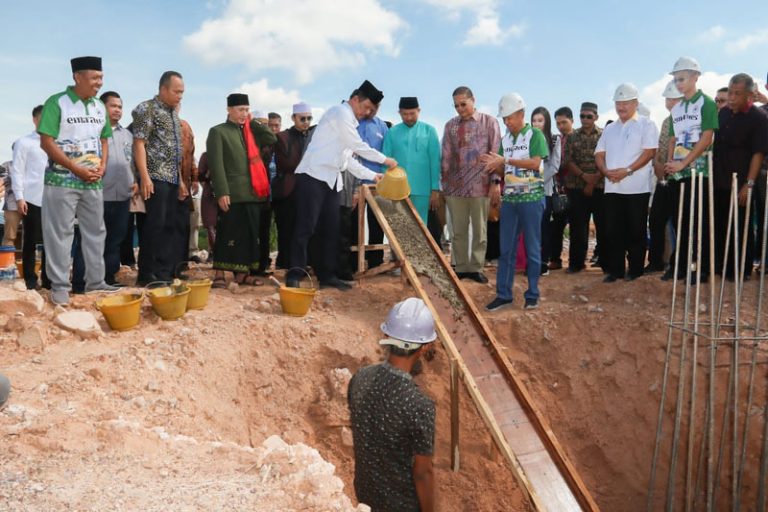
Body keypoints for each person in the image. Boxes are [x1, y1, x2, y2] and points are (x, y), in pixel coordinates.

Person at [286, 80, 396, 290]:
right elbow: (357, 146)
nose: (366, 113)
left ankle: (327, 275)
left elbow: (348, 161)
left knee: (331, 229)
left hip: (332, 180)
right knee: (306, 227)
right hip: (313, 175)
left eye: (371, 110)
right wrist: (385, 161)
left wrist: (373, 176)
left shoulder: (350, 123)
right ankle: (295, 272)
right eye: (366, 108)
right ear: (355, 99)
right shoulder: (339, 113)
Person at [38, 56, 117, 305]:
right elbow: (47, 142)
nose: (99, 83)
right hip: (61, 181)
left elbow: (104, 139)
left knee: (96, 232)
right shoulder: (56, 103)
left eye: (101, 78)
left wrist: (102, 165)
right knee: (60, 234)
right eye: (94, 78)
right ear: (77, 77)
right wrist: (75, 167)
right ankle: (60, 287)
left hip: (92, 182)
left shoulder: (98, 107)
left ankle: (96, 282)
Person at [348, 297, 436, 512]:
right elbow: (422, 473)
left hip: (365, 496)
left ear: (387, 336)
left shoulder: (360, 378)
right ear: (424, 347)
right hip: (401, 505)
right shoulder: (419, 405)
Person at [481, 93, 549, 311]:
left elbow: (535, 163)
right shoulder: (505, 140)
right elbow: (504, 169)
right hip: (510, 200)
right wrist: (494, 165)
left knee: (532, 248)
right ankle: (504, 294)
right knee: (506, 249)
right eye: (504, 119)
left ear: (521, 114)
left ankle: (533, 294)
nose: (507, 122)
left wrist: (506, 160)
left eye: (509, 117)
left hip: (532, 199)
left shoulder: (535, 135)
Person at [206, 93, 276, 287]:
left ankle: (242, 275)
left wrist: (253, 123)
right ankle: (219, 274)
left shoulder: (251, 132)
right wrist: (221, 192)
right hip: (231, 193)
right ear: (229, 110)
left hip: (253, 193)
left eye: (247, 109)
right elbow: (216, 165)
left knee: (249, 236)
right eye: (240, 110)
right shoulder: (218, 132)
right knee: (227, 234)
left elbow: (271, 138)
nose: (244, 113)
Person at [595, 83, 659, 282]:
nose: (621, 107)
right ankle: (615, 271)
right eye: (618, 103)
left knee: (636, 230)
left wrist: (627, 170)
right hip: (612, 188)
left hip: (636, 188)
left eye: (626, 103)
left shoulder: (646, 124)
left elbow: (650, 152)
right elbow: (599, 153)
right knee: (613, 230)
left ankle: (635, 270)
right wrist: (606, 171)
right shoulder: (610, 128)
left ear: (635, 103)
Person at [663, 56, 719, 284]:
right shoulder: (677, 109)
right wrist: (670, 164)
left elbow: (707, 136)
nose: (679, 83)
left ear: (695, 77)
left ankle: (702, 268)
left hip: (700, 172)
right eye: (676, 80)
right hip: (678, 172)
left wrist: (684, 163)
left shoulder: (706, 102)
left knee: (700, 221)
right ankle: (681, 265)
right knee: (681, 221)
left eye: (682, 79)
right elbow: (673, 138)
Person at [73, 91, 135, 287]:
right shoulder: (91, 132)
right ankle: (81, 283)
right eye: (113, 106)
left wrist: (136, 181)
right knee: (89, 240)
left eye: (120, 106)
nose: (117, 110)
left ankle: (107, 279)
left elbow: (132, 162)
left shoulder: (128, 135)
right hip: (96, 195)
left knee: (114, 241)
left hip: (123, 196)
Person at [132, 70, 188, 285]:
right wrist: (144, 177)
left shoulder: (173, 113)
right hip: (154, 177)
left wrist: (181, 180)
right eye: (176, 91)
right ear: (163, 89)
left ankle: (164, 273)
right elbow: (139, 144)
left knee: (169, 226)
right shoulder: (146, 109)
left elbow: (174, 150)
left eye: (182, 92)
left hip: (172, 178)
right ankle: (146, 275)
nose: (180, 96)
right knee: (154, 226)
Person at [441, 86, 501, 283]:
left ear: (473, 100)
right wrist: (443, 185)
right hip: (455, 187)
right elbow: (446, 156)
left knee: (479, 230)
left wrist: (495, 183)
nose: (460, 108)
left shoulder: (489, 122)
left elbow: (495, 155)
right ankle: (460, 267)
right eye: (456, 105)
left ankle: (475, 267)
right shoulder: (450, 126)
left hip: (481, 186)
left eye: (463, 104)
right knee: (457, 230)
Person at [713, 73, 768, 281]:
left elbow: (758, 153)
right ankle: (720, 265)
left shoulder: (759, 118)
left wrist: (749, 184)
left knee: (740, 226)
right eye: (730, 92)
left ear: (749, 95)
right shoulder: (723, 114)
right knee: (719, 224)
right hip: (719, 180)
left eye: (737, 94)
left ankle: (740, 269)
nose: (732, 98)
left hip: (742, 183)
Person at [382, 97, 441, 224]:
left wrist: (435, 189)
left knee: (420, 228)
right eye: (405, 114)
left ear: (419, 111)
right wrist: (386, 188)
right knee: (398, 229)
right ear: (399, 113)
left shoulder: (429, 131)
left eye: (412, 114)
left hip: (422, 191)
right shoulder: (392, 132)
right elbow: (385, 161)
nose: (408, 118)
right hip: (396, 191)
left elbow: (435, 161)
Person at [272, 102, 316, 269]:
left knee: (306, 228)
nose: (306, 122)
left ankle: (305, 263)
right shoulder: (283, 137)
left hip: (307, 190)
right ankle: (286, 264)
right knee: (287, 228)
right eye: (302, 118)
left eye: (309, 118)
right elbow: (288, 163)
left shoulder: (313, 136)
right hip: (287, 190)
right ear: (293, 118)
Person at [10, 105, 49, 290]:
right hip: (32, 198)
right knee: (30, 242)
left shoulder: (59, 142)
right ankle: (31, 281)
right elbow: (17, 171)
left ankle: (49, 280)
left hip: (55, 199)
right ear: (34, 119)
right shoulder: (24, 142)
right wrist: (19, 197)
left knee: (52, 241)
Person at [564, 102, 604, 273]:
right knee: (578, 228)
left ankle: (605, 262)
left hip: (600, 185)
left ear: (596, 117)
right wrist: (584, 177)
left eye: (589, 116)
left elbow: (608, 158)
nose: (585, 119)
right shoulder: (572, 136)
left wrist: (594, 180)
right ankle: (576, 263)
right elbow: (568, 161)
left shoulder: (605, 135)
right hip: (577, 187)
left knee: (604, 226)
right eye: (582, 116)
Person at [651, 81, 684, 278]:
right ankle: (655, 262)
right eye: (667, 99)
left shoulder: (689, 121)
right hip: (663, 178)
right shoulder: (666, 121)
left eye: (672, 99)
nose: (668, 102)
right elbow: (661, 147)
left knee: (679, 223)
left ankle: (676, 264)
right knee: (656, 219)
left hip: (680, 177)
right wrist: (657, 165)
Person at [356, 99, 389, 270]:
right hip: (355, 183)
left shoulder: (382, 126)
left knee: (377, 222)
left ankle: (376, 261)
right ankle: (353, 262)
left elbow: (386, 152)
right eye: (369, 107)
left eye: (375, 108)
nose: (371, 111)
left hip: (377, 183)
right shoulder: (353, 123)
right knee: (353, 224)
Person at [531, 107, 560, 277]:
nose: (537, 124)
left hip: (545, 191)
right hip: (528, 190)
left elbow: (555, 165)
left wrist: (539, 182)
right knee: (531, 229)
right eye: (534, 120)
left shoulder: (555, 140)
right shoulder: (528, 139)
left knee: (543, 228)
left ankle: (543, 262)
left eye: (540, 121)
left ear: (546, 122)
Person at [547, 107, 574, 270]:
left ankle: (576, 261)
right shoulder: (555, 140)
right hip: (559, 191)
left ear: (572, 121)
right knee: (556, 227)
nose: (561, 126)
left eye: (564, 122)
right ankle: (555, 259)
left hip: (577, 188)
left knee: (578, 227)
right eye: (558, 123)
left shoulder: (577, 138)